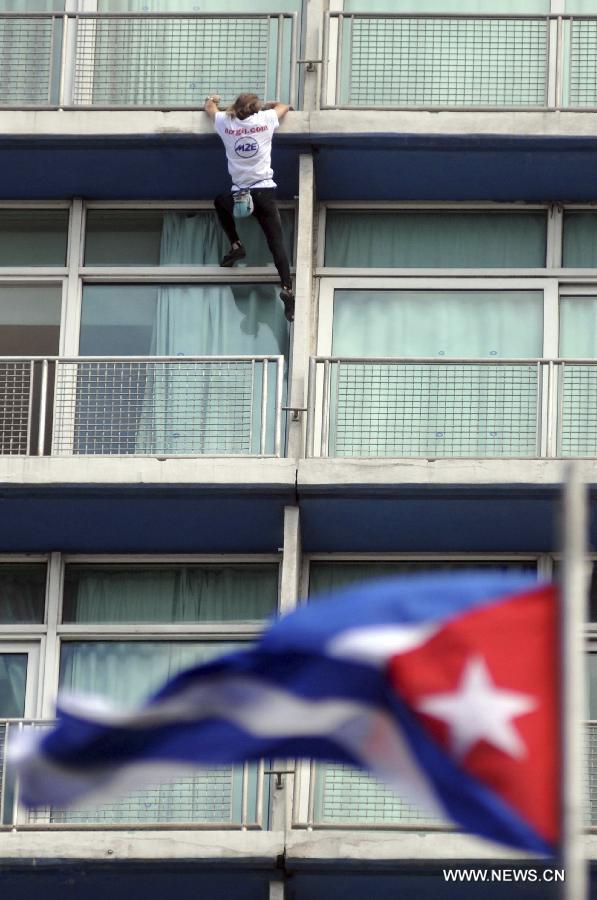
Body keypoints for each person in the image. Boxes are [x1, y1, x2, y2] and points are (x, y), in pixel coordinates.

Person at [204, 92, 295, 323]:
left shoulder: (226, 121)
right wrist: (272, 105)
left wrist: (213, 99)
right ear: (257, 109)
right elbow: (285, 106)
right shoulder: (264, 120)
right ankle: (287, 288)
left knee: (219, 202)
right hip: (264, 192)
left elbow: (209, 109)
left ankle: (235, 244)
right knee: (276, 243)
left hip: (239, 195)